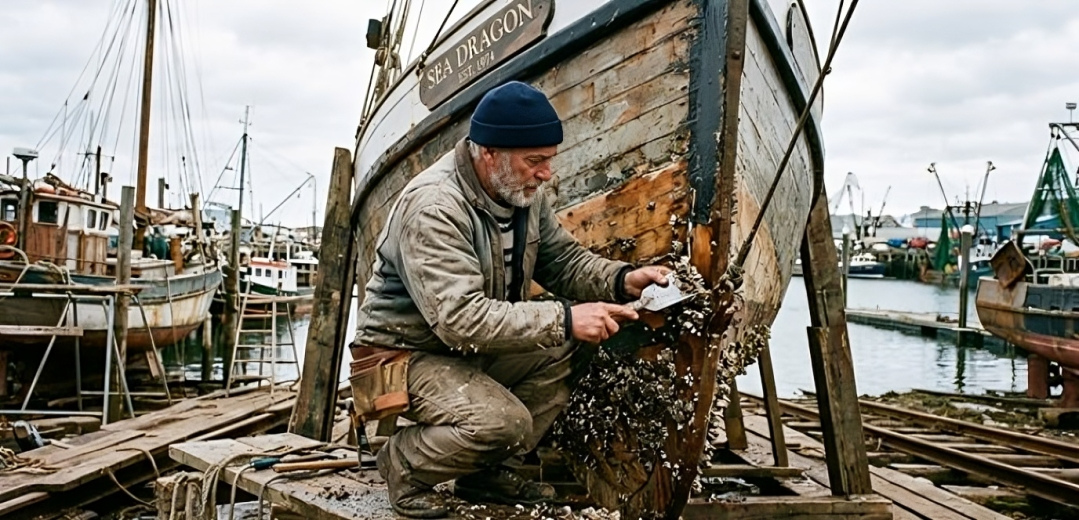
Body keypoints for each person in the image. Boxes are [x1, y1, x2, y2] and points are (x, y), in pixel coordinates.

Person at [353, 81, 671, 518]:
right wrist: (565, 318)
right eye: (535, 161)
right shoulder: (435, 207)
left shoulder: (520, 194)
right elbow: (459, 320)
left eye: (549, 160)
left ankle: (488, 471)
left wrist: (624, 280)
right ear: (489, 153)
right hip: (402, 359)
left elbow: (564, 262)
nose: (546, 174)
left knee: (571, 344)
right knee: (505, 423)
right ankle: (403, 463)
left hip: (463, 351)